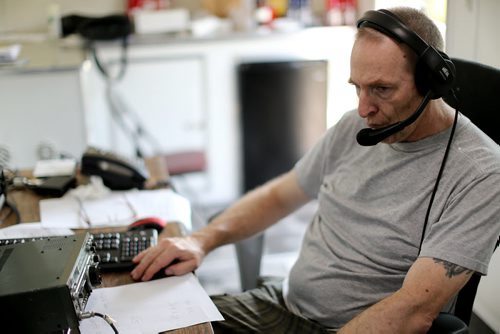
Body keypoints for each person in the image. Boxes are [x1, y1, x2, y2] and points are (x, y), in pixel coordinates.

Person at [131, 7, 500, 333]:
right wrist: (201, 240)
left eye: (382, 89)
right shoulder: (354, 127)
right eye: (357, 88)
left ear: (432, 84)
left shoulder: (480, 173)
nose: (364, 109)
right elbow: (281, 194)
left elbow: (413, 312)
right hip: (282, 304)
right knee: (159, 324)